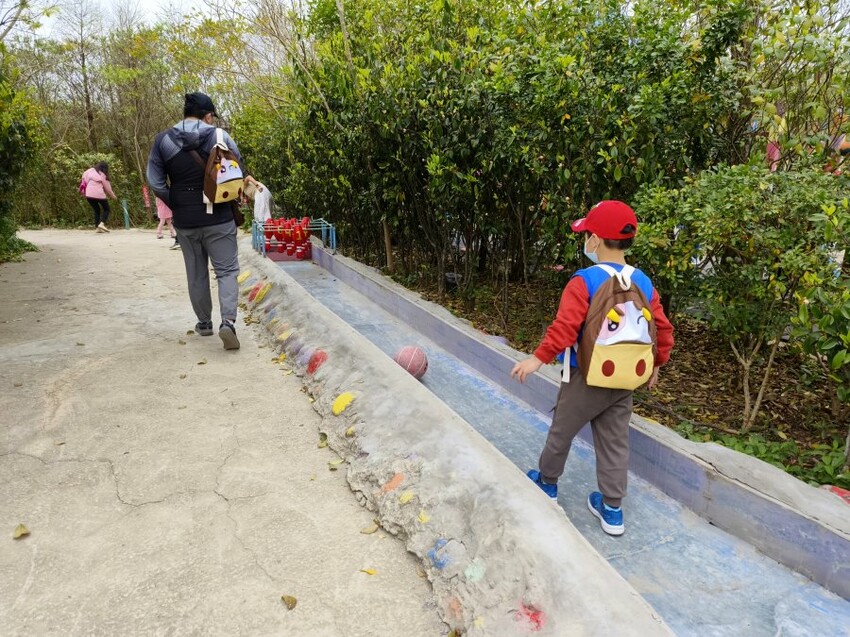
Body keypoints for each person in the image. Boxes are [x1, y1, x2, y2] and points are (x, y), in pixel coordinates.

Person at [510, 200, 674, 536]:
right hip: (625, 378)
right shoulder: (642, 281)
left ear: (596, 240)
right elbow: (662, 328)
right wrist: (656, 363)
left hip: (586, 376)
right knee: (615, 441)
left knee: (562, 431)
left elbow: (565, 328)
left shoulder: (584, 281)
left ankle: (547, 483)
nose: (585, 240)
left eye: (586, 234)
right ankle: (612, 509)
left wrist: (537, 358)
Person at [146, 92, 243, 350]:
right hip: (219, 215)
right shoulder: (220, 137)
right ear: (208, 115)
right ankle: (228, 323)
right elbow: (237, 170)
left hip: (186, 221)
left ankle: (204, 323)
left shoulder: (163, 141)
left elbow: (155, 181)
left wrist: (177, 200)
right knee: (227, 271)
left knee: (196, 272)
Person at [81, 162, 117, 233]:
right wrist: (113, 196)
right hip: (98, 194)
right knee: (107, 209)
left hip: (89, 194)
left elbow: (84, 179)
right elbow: (108, 188)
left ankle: (98, 228)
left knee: (97, 210)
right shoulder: (102, 174)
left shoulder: (89, 171)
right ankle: (102, 224)